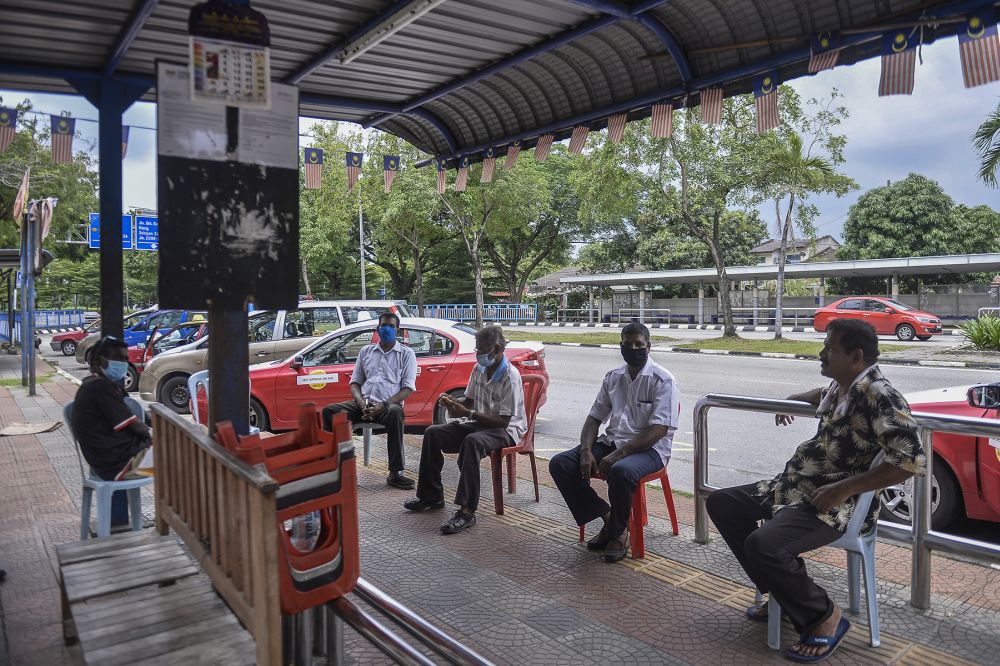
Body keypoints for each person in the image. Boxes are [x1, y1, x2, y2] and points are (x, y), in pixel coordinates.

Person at [706, 319, 926, 663]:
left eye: (829, 348)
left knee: (763, 544)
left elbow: (909, 461)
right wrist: (796, 398)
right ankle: (781, 593)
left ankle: (823, 617)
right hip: (795, 489)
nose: (821, 353)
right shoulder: (843, 387)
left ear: (856, 356)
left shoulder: (880, 394)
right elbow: (820, 397)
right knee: (722, 504)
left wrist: (844, 488)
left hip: (838, 504)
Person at [549, 322, 680, 562]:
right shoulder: (613, 377)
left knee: (620, 471)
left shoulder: (663, 380)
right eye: (628, 344)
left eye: (639, 345)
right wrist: (587, 450)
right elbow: (594, 418)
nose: (633, 349)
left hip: (650, 449)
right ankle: (608, 518)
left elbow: (659, 429)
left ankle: (619, 532)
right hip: (612, 442)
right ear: (620, 346)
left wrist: (619, 454)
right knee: (561, 463)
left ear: (649, 347)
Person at [404, 325, 526, 534]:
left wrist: (467, 413)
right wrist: (452, 402)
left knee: (472, 441)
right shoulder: (478, 369)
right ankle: (430, 496)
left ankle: (467, 511)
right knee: (433, 433)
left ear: (497, 349)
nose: (478, 354)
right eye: (477, 349)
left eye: (482, 350)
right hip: (482, 424)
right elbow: (468, 402)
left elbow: (503, 422)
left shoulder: (510, 375)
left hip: (506, 431)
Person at [322, 312, 416, 490]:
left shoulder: (406, 354)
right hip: (362, 404)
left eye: (391, 326)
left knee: (397, 413)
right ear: (377, 329)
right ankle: (335, 469)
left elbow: (407, 388)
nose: (387, 329)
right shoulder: (366, 351)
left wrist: (383, 405)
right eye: (383, 326)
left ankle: (396, 472)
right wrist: (359, 402)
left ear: (397, 330)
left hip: (388, 406)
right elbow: (355, 383)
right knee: (329, 412)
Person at [71, 336, 152, 482]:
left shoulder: (94, 384)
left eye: (126, 359)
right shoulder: (100, 387)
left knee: (189, 447)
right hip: (122, 464)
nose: (124, 364)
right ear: (102, 360)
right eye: (120, 358)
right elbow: (139, 428)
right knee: (190, 453)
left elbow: (143, 419)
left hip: (115, 461)